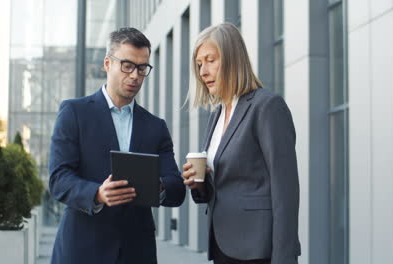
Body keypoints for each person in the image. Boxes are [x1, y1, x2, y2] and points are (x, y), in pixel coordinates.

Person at [49, 27, 186, 264]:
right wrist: (98, 194)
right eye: (127, 65)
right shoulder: (74, 113)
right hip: (82, 250)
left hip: (136, 251)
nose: (135, 75)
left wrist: (159, 185)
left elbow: (177, 188)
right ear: (107, 63)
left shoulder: (156, 126)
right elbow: (59, 179)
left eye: (142, 68)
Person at [182, 23, 301, 264]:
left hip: (258, 250)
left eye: (210, 60)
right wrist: (199, 181)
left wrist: (284, 258)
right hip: (223, 246)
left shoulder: (267, 107)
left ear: (233, 59)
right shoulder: (217, 114)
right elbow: (224, 184)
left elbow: (286, 192)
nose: (203, 71)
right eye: (199, 64)